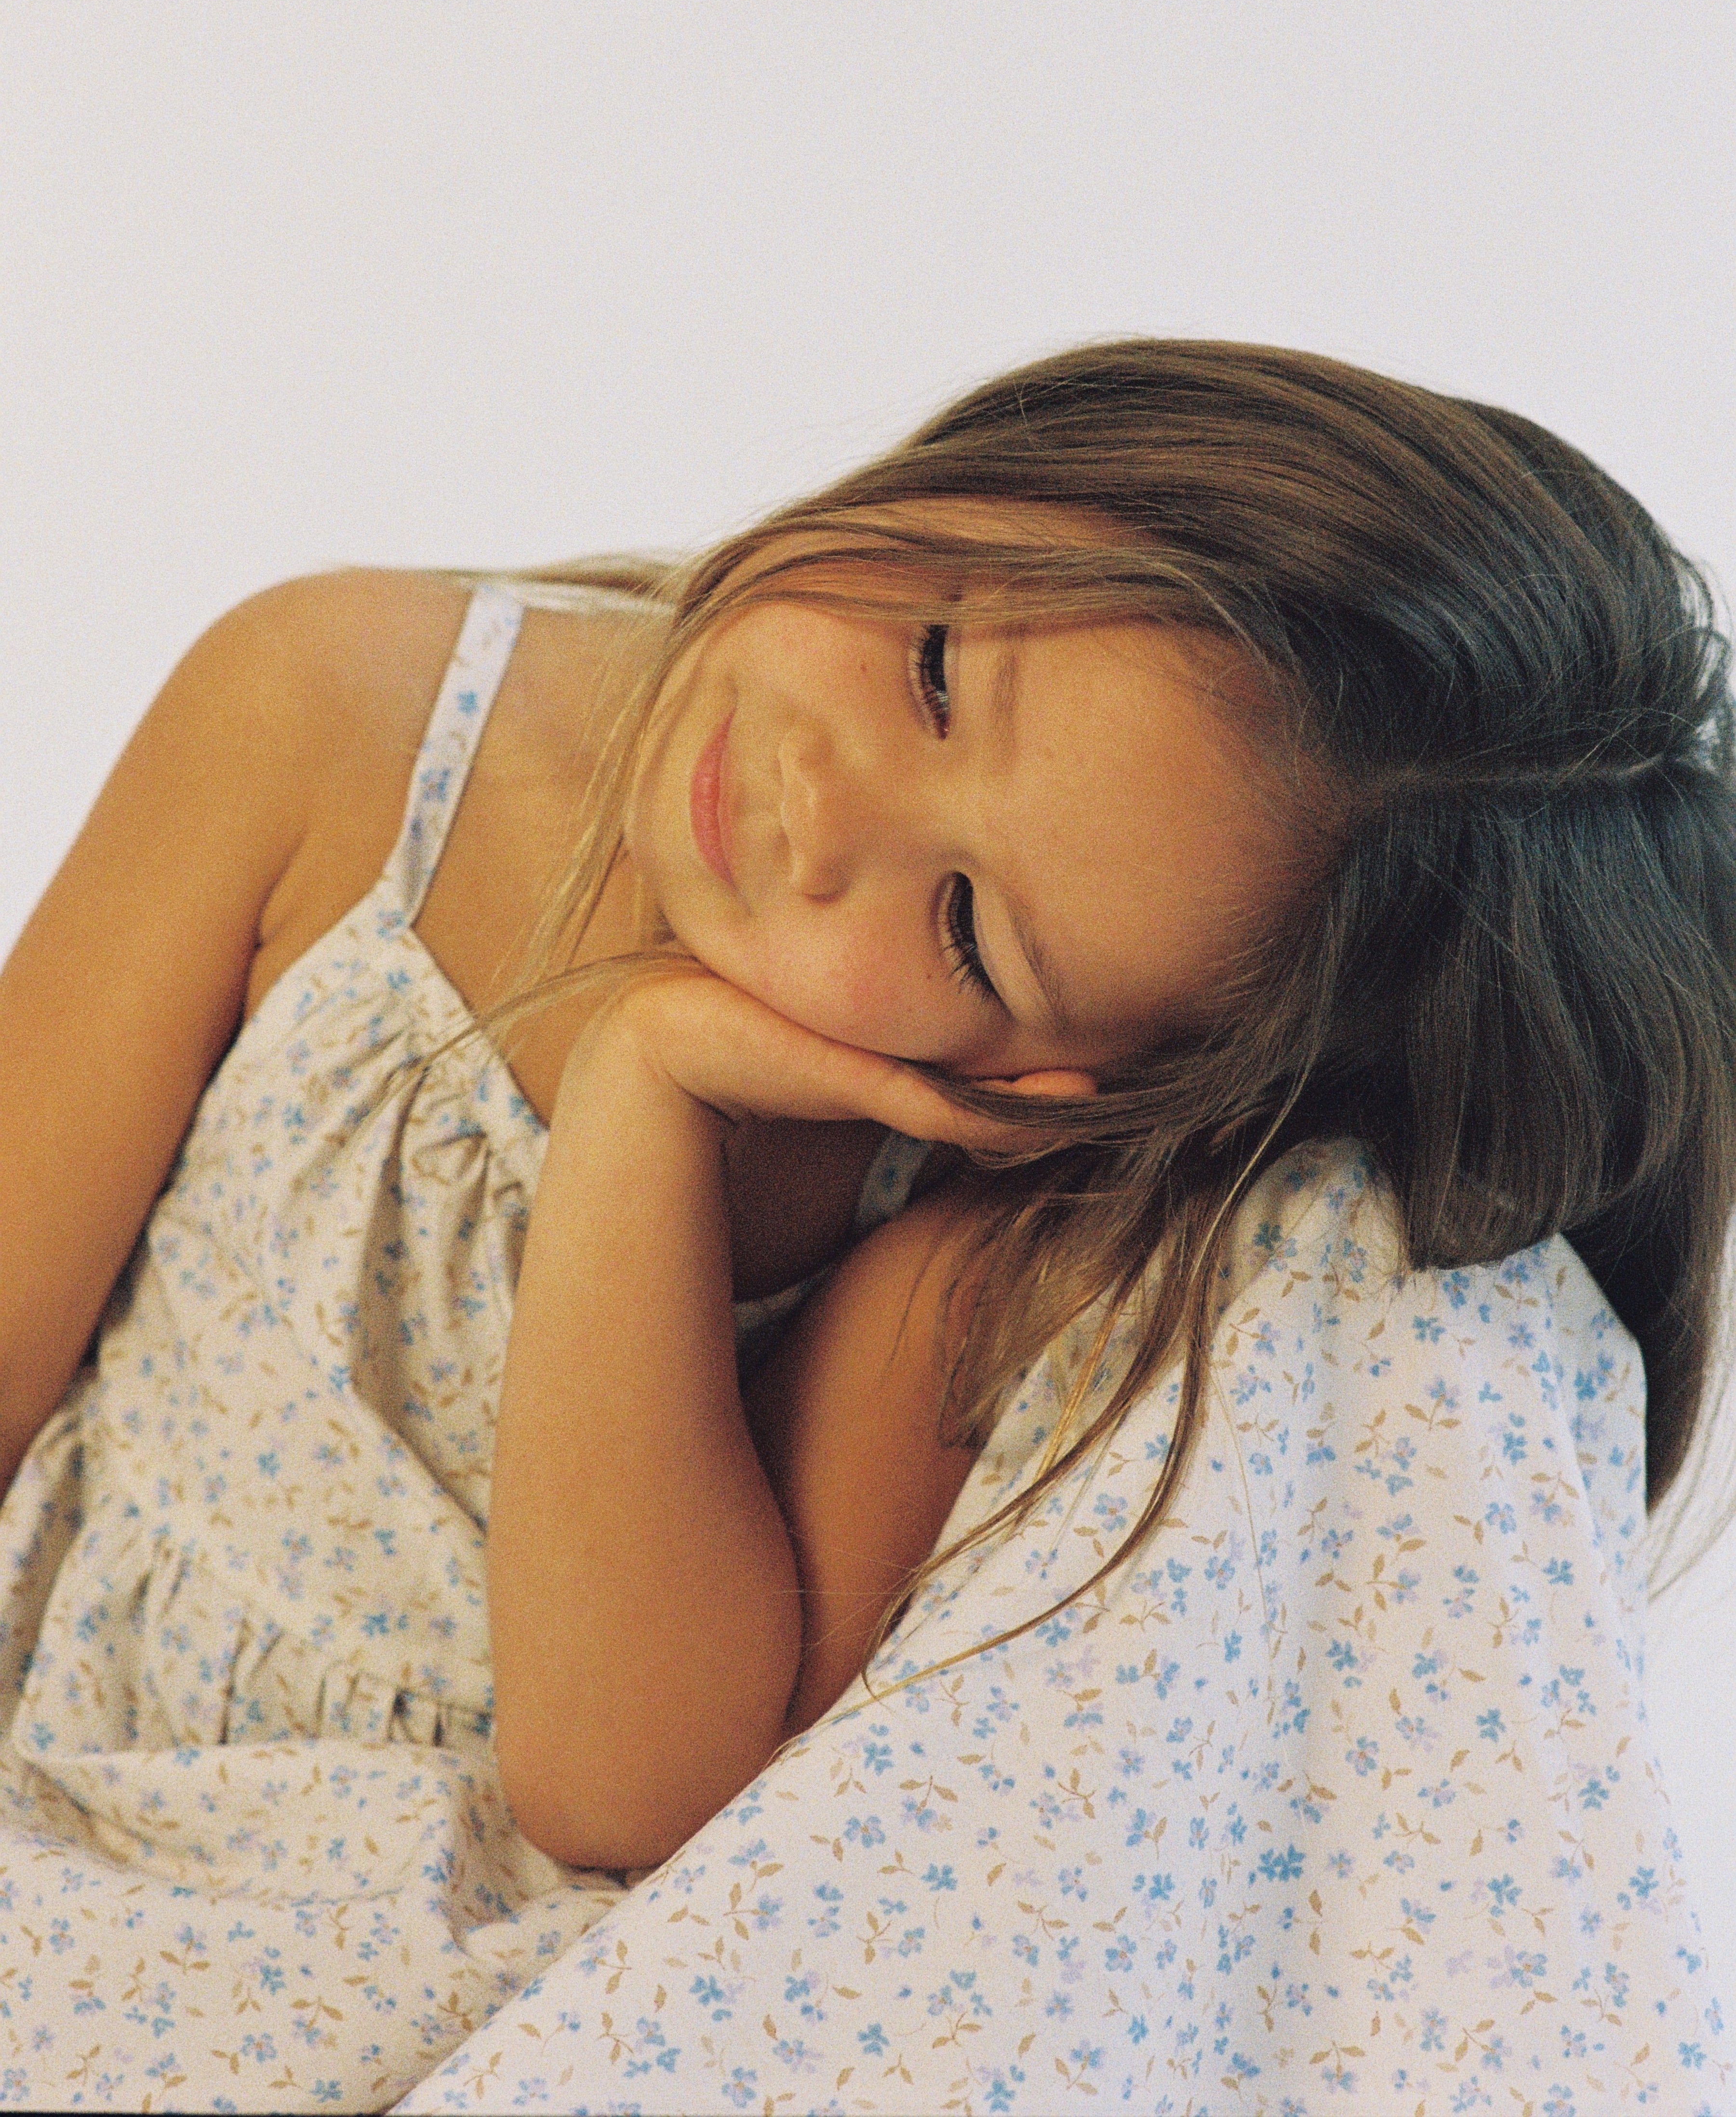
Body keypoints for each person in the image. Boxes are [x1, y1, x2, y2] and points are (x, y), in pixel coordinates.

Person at [0, 337, 1729, 2113]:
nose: (821, 812)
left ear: (1069, 1082)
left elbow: (614, 1793)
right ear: (1017, 457)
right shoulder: (339, 709)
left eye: (970, 927)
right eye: (932, 672)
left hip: (479, 1963)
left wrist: (643, 1097)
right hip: (72, 1798)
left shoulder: (970, 1218)